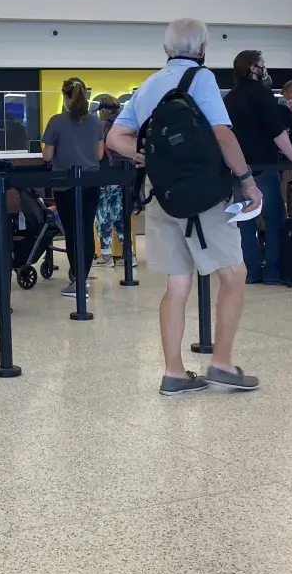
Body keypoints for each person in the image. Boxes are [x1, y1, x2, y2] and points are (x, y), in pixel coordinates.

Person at [108, 19, 260, 396]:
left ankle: (174, 372)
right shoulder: (201, 78)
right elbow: (222, 134)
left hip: (161, 191)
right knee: (234, 274)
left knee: (177, 282)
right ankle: (222, 363)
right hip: (202, 193)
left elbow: (115, 137)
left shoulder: (149, 84)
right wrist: (247, 181)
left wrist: (145, 156)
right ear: (203, 48)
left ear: (167, 49)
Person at [224, 51, 292, 286]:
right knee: (273, 218)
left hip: (239, 169)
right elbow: (276, 131)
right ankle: (272, 272)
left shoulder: (230, 97)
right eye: (262, 64)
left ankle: (250, 271)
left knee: (245, 222)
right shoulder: (263, 94)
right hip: (265, 165)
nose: (265, 69)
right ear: (253, 68)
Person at [42, 78, 106, 297]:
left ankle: (77, 281)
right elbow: (99, 154)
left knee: (71, 232)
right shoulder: (95, 122)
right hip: (91, 183)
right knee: (86, 229)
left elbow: (47, 155)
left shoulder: (56, 121)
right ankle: (82, 277)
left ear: (65, 96)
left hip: (66, 185)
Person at [93, 94, 128, 267]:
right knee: (120, 216)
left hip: (105, 175)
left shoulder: (102, 126)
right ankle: (128, 256)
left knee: (103, 215)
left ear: (105, 110)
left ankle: (106, 257)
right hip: (123, 176)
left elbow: (98, 154)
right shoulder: (125, 126)